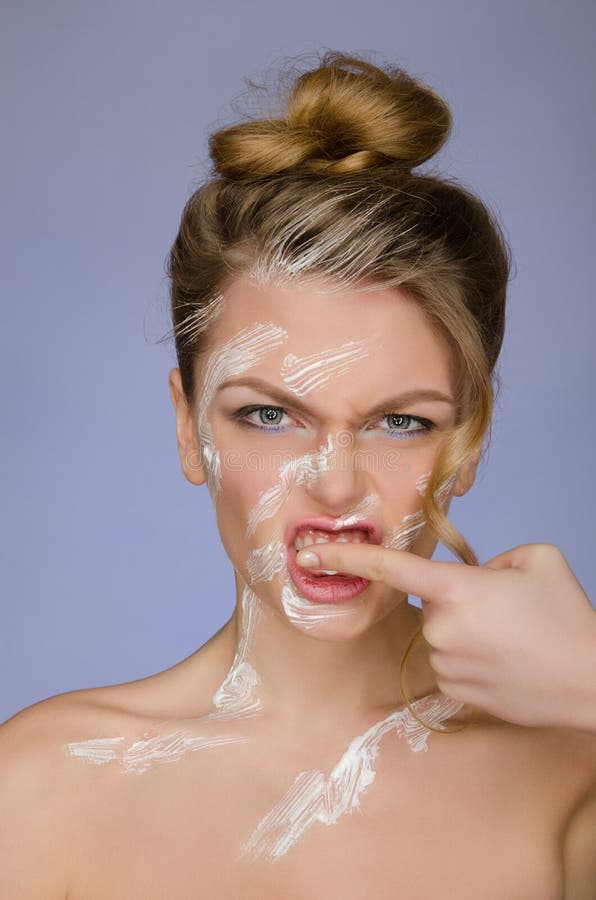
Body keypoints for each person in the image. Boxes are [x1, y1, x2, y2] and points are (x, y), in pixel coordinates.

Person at [1, 50, 595, 898]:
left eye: (402, 422)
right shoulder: (37, 786)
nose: (335, 484)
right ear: (187, 425)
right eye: (270, 415)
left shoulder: (572, 776)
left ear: (467, 441)